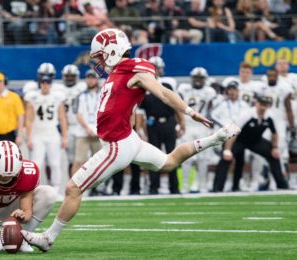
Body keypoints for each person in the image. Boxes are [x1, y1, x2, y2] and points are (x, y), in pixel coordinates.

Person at [21, 28, 240, 251]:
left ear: (113, 50)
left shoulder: (135, 70)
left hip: (118, 145)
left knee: (72, 189)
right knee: (169, 163)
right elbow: (128, 103)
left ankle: (47, 238)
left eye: (100, 55)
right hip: (128, 139)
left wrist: (189, 111)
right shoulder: (118, 72)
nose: (98, 61)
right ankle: (215, 139)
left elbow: (162, 92)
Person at [213, 94, 289, 192]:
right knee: (226, 158)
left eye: (265, 105)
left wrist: (274, 147)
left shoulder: (270, 116)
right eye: (261, 104)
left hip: (255, 141)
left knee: (274, 155)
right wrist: (227, 150)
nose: (263, 107)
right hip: (239, 140)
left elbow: (274, 133)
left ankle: (282, 186)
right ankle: (218, 188)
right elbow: (233, 132)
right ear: (256, 103)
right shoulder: (247, 115)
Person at [138, 56, 183, 194]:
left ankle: (174, 187)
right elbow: (140, 112)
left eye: (156, 68)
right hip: (152, 125)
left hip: (169, 122)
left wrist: (182, 123)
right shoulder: (143, 87)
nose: (154, 71)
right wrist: (140, 129)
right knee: (154, 157)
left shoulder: (168, 84)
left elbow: (176, 105)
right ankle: (154, 187)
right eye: (153, 67)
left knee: (173, 155)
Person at [24, 74, 68, 193]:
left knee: (55, 163)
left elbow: (62, 117)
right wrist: (28, 138)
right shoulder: (33, 97)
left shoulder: (57, 97)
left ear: (50, 84)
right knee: (36, 164)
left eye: (47, 83)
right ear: (40, 84)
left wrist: (64, 137)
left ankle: (57, 189)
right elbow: (29, 119)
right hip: (38, 132)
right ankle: (34, 189)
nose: (45, 85)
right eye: (43, 83)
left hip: (52, 132)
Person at [177, 67, 216, 193]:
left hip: (202, 126)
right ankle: (185, 185)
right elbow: (178, 107)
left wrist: (212, 127)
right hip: (188, 125)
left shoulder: (210, 91)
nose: (198, 80)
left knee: (203, 158)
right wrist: (180, 124)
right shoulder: (184, 89)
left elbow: (211, 111)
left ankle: (202, 185)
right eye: (196, 77)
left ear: (205, 79)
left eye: (200, 78)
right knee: (186, 157)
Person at [0, 71, 25, 148]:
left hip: (10, 135)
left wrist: (20, 135)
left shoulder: (14, 97)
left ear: (4, 82)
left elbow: (20, 117)